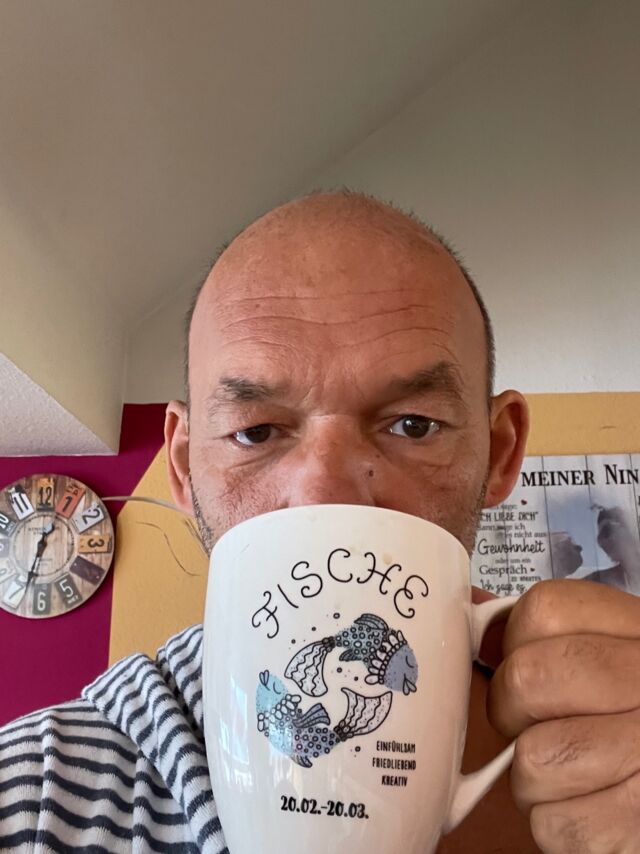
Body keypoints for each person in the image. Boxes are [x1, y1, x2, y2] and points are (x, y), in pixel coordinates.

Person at [2, 191, 640, 853]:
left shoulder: (613, 747)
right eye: (255, 432)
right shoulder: (37, 803)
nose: (327, 496)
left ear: (500, 452)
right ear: (186, 469)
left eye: (413, 425)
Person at [582, 506, 640, 594]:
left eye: (607, 531)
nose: (602, 543)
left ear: (630, 529)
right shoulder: (599, 580)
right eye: (599, 539)